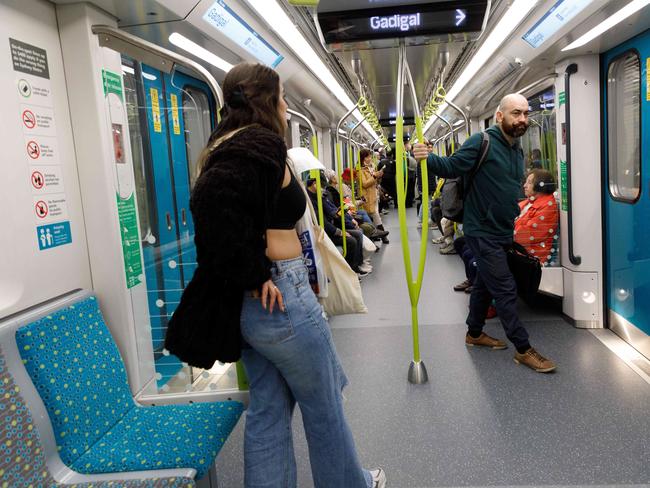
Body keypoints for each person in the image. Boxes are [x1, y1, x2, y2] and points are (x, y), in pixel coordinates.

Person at [167, 63, 385, 487]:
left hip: (252, 309)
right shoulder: (259, 145)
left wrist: (249, 277)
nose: (287, 107)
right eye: (283, 97)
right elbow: (214, 205)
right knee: (325, 405)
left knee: (267, 408)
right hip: (281, 296)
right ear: (267, 101)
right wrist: (254, 274)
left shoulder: (223, 145)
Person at [414, 93, 556, 373]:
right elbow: (450, 166)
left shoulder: (516, 149)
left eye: (526, 114)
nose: (523, 119)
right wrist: (425, 156)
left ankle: (474, 332)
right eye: (516, 113)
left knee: (484, 282)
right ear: (500, 116)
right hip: (481, 230)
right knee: (505, 288)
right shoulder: (482, 142)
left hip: (503, 229)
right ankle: (523, 348)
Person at [515, 169, 558, 265]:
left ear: (539, 185)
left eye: (529, 183)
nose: (524, 186)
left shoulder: (548, 207)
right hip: (518, 251)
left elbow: (525, 235)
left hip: (530, 258)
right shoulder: (528, 202)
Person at [359, 149, 390, 243]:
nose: (369, 159)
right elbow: (364, 184)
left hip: (374, 194)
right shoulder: (360, 170)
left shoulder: (371, 167)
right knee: (375, 215)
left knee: (374, 215)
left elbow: (374, 181)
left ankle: (376, 236)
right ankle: (382, 235)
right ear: (363, 158)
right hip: (367, 196)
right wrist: (375, 176)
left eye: (369, 157)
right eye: (367, 157)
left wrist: (379, 176)